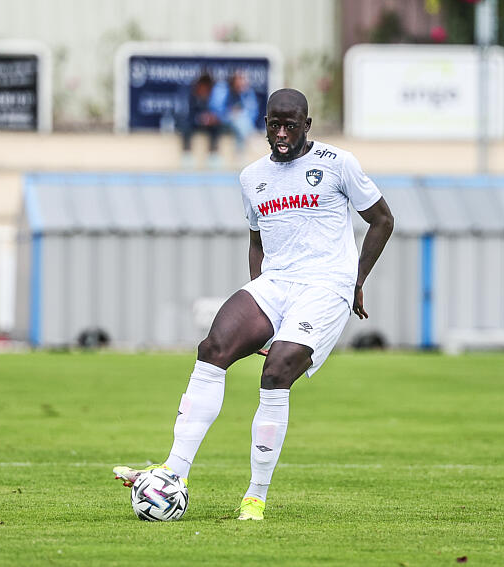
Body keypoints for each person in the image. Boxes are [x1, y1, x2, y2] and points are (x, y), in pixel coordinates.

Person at [113, 88, 395, 521]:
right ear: (264, 124)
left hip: (325, 286)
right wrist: (264, 311)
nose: (282, 133)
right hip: (276, 283)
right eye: (274, 125)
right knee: (212, 349)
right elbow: (256, 240)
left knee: (275, 371)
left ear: (307, 125)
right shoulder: (252, 177)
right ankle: (174, 470)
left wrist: (357, 279)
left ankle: (255, 497)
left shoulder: (339, 164)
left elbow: (382, 220)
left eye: (291, 125)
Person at [210, 71, 260, 160]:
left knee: (241, 121)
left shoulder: (246, 92)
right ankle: (250, 141)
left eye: (244, 80)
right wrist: (230, 113)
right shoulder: (222, 89)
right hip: (222, 122)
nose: (242, 83)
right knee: (239, 121)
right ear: (234, 80)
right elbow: (215, 111)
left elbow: (252, 113)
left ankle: (242, 151)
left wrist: (239, 114)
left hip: (240, 124)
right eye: (240, 80)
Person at [178, 71, 222, 168]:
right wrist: (199, 118)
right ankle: (187, 154)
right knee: (186, 126)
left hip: (209, 124)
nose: (204, 89)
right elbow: (187, 113)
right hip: (194, 122)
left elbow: (218, 111)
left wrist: (211, 118)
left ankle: (213, 154)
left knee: (216, 127)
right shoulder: (191, 95)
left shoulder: (214, 96)